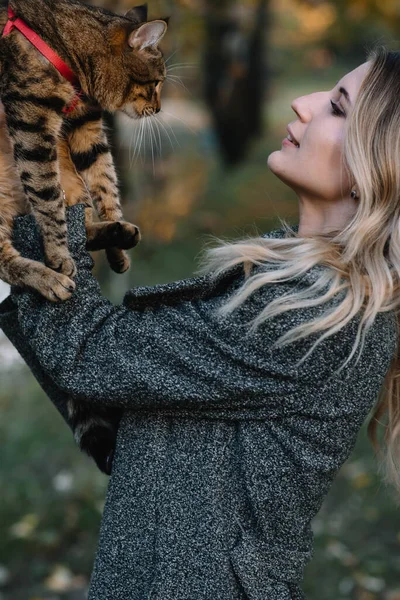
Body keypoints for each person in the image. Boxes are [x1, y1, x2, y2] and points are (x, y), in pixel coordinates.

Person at [0, 43, 399, 600]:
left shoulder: (311, 316)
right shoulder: (299, 289)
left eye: (336, 105)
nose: (303, 103)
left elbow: (90, 356)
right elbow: (123, 415)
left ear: (375, 165)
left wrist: (41, 175)